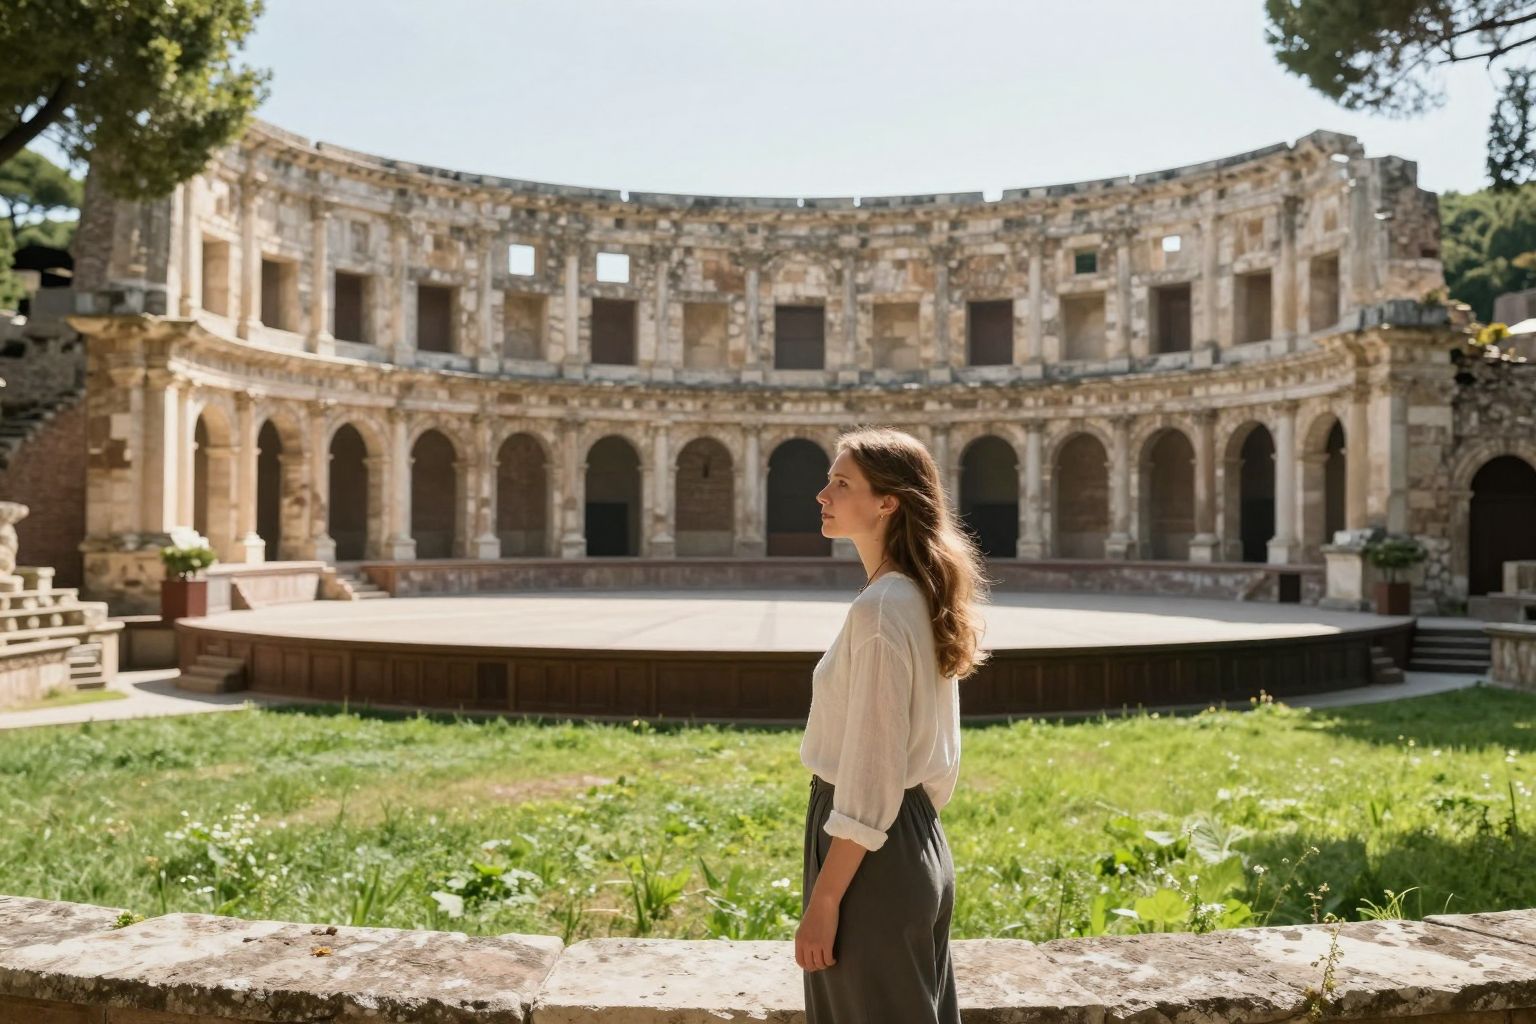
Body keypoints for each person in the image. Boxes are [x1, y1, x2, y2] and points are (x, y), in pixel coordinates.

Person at [796, 425, 992, 1023]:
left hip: (868, 855)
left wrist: (826, 898)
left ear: (888, 502)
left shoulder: (882, 609)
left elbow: (873, 772)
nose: (822, 495)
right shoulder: (914, 595)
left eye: (841, 482)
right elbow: (930, 764)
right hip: (912, 837)